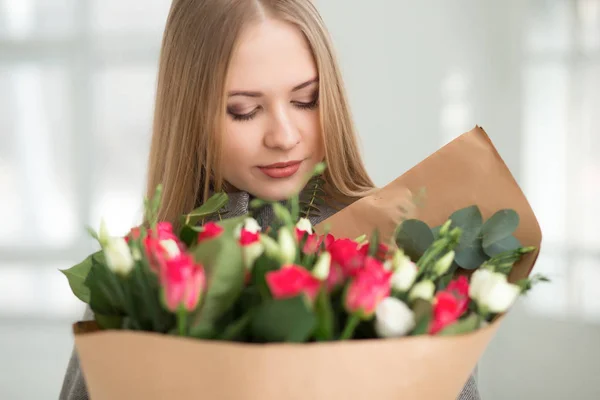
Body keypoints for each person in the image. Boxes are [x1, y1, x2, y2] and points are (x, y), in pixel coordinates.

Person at [59, 1, 480, 399]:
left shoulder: (405, 253)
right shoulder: (137, 278)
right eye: (243, 110)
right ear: (190, 112)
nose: (283, 136)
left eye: (306, 100)